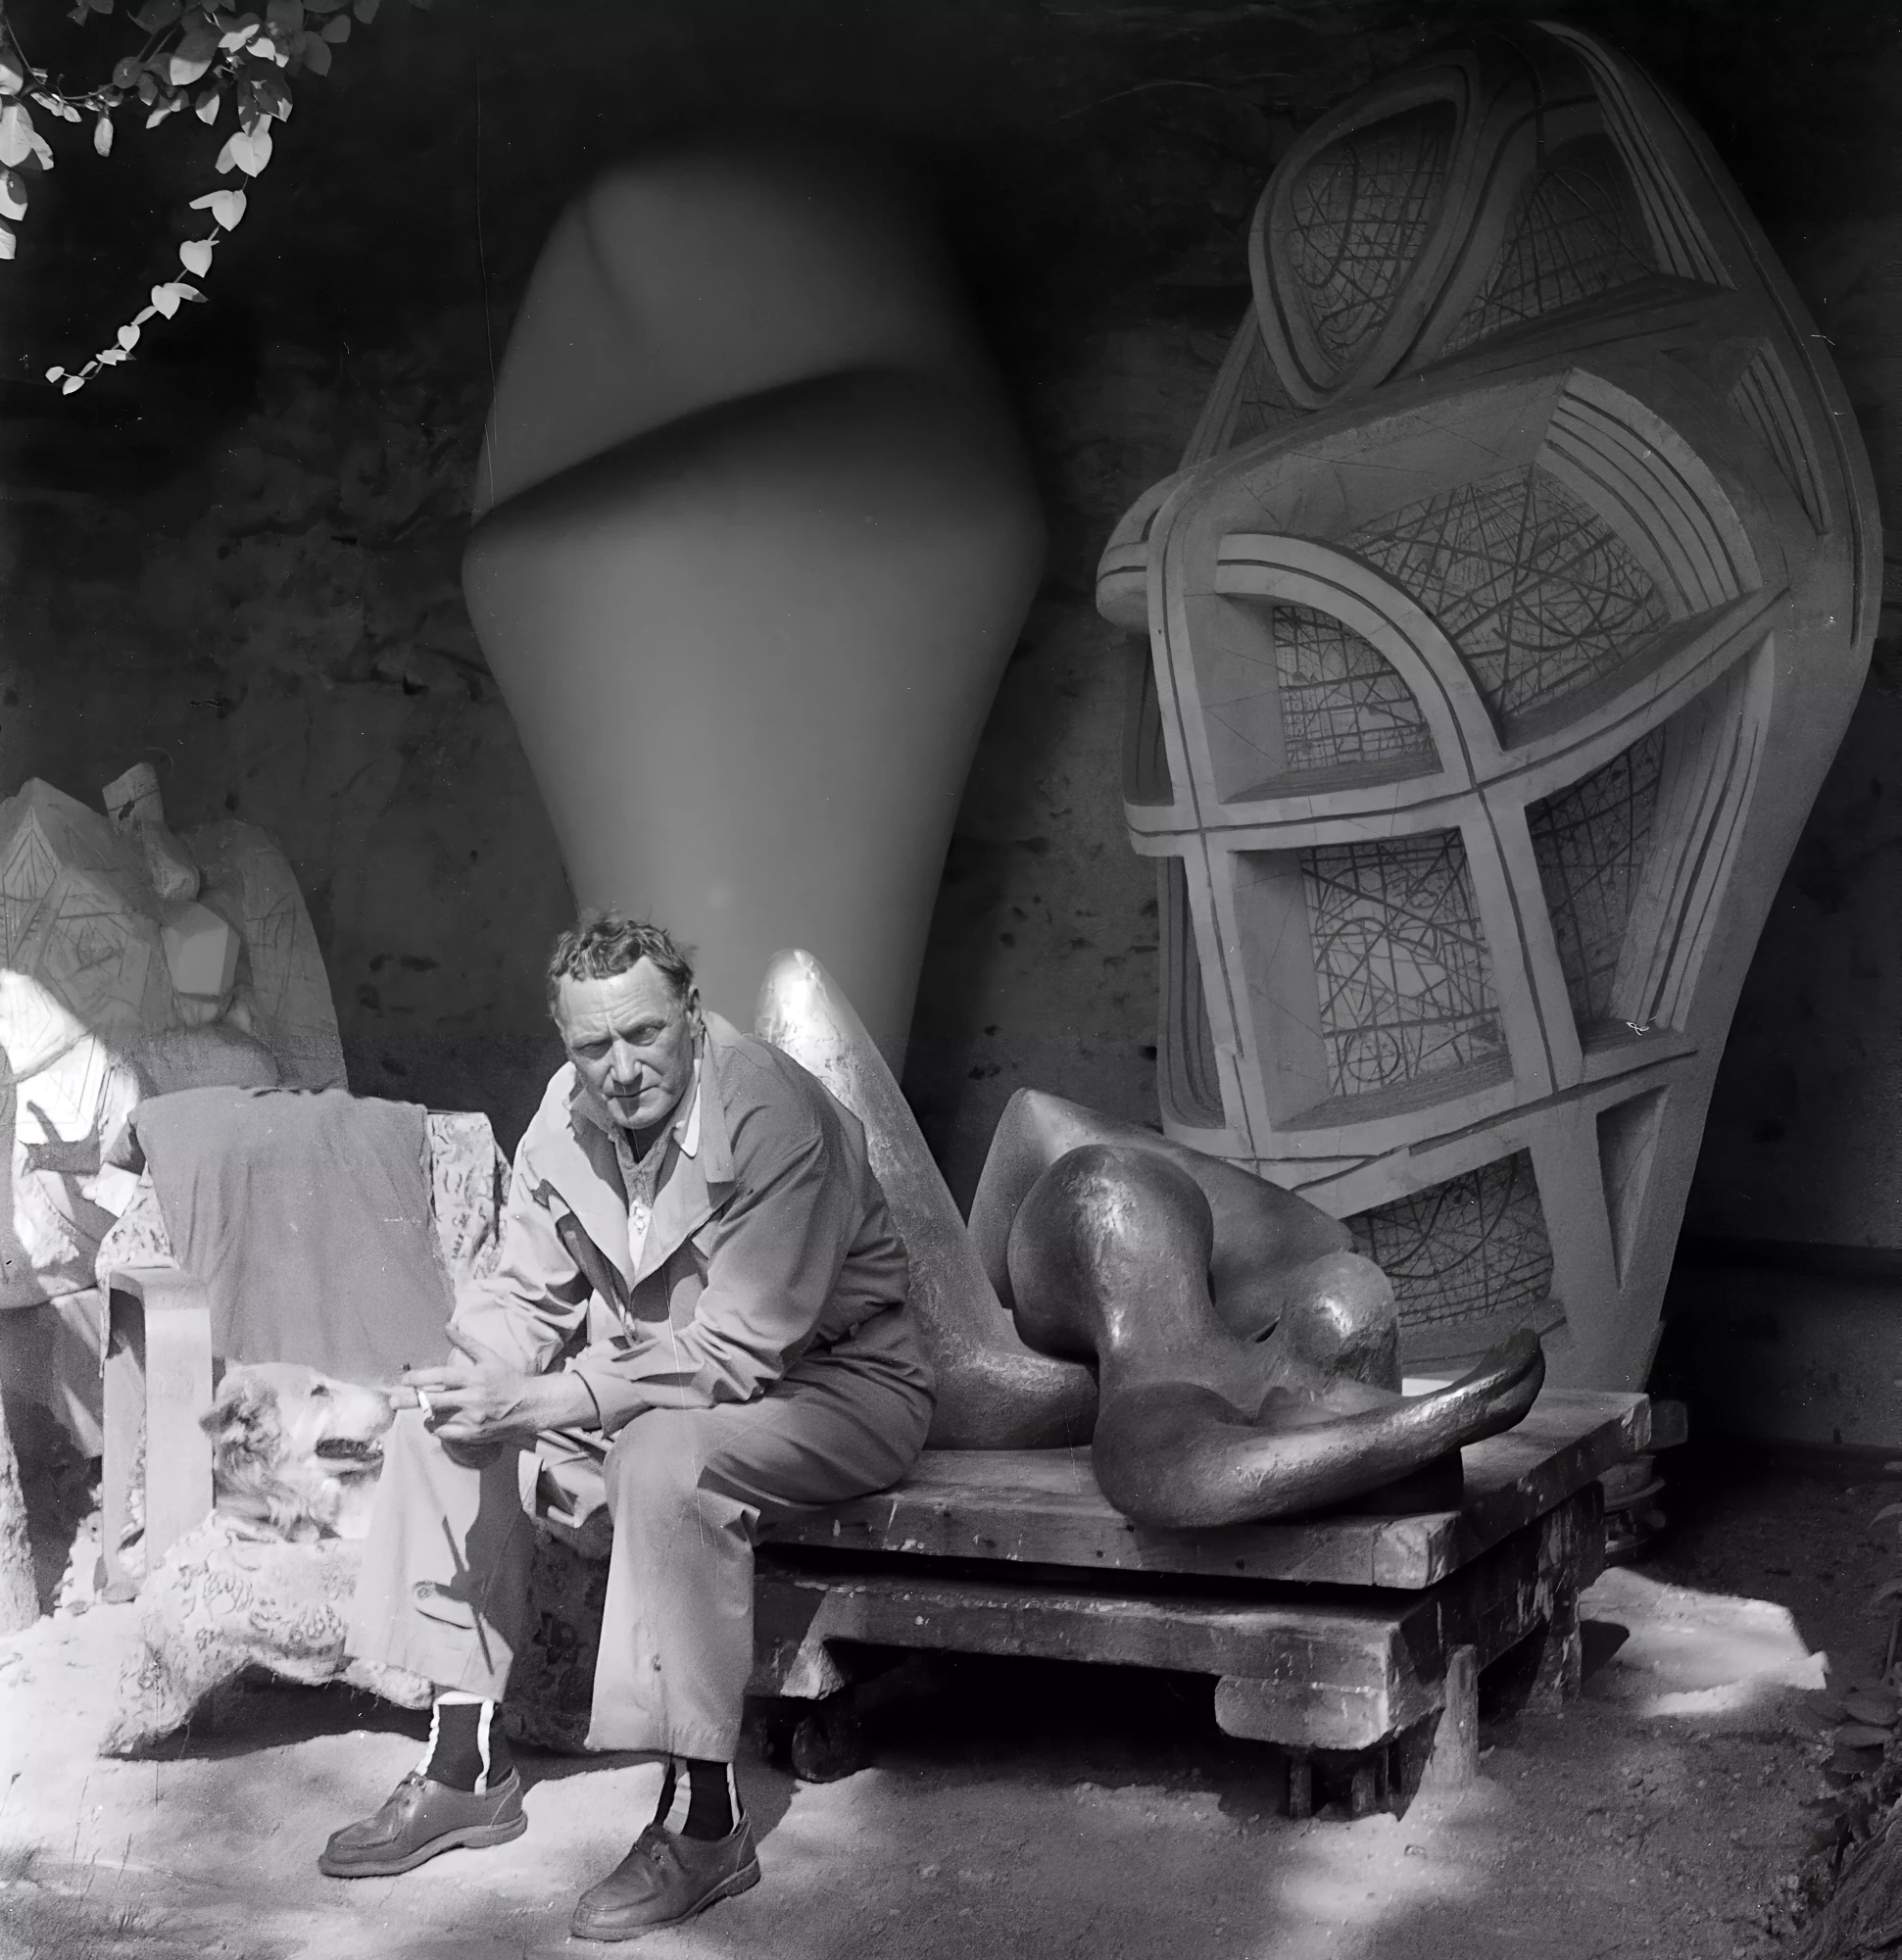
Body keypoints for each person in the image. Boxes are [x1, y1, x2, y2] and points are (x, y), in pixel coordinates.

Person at [319, 913, 934, 1941]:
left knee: (663, 1459)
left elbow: (740, 1346)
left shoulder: (775, 1115)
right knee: (444, 1426)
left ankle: (704, 1821)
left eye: (644, 1033)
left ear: (691, 1011)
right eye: (592, 1045)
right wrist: (478, 1380)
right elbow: (525, 1295)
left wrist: (544, 1400)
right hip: (648, 1386)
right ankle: (463, 1766)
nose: (621, 1068)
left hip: (833, 1384)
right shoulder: (566, 1112)